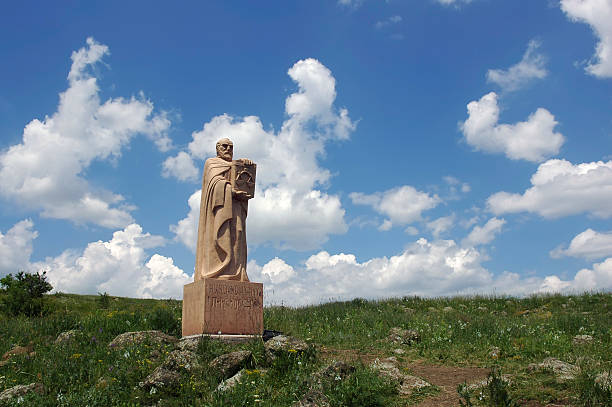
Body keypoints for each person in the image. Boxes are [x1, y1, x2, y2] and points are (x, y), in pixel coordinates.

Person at [194, 138, 254, 281]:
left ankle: (235, 272)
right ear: (217, 149)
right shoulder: (212, 163)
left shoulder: (234, 165)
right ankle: (217, 272)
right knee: (221, 235)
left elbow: (244, 182)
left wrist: (244, 165)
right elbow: (213, 184)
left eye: (231, 147)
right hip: (220, 210)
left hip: (236, 209)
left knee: (238, 235)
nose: (228, 149)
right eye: (225, 146)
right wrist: (230, 191)